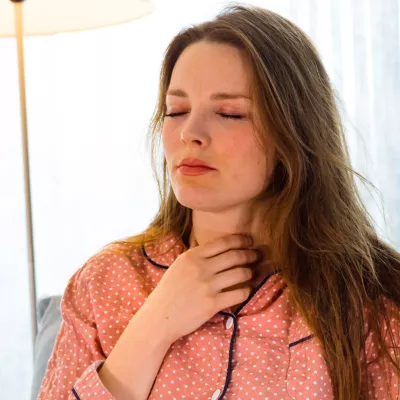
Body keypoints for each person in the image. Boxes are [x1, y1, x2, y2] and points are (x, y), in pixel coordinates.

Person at [38, 4, 400, 400]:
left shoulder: (372, 301)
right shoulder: (104, 283)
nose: (189, 133)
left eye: (229, 113)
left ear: (293, 134)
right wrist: (156, 323)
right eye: (176, 110)